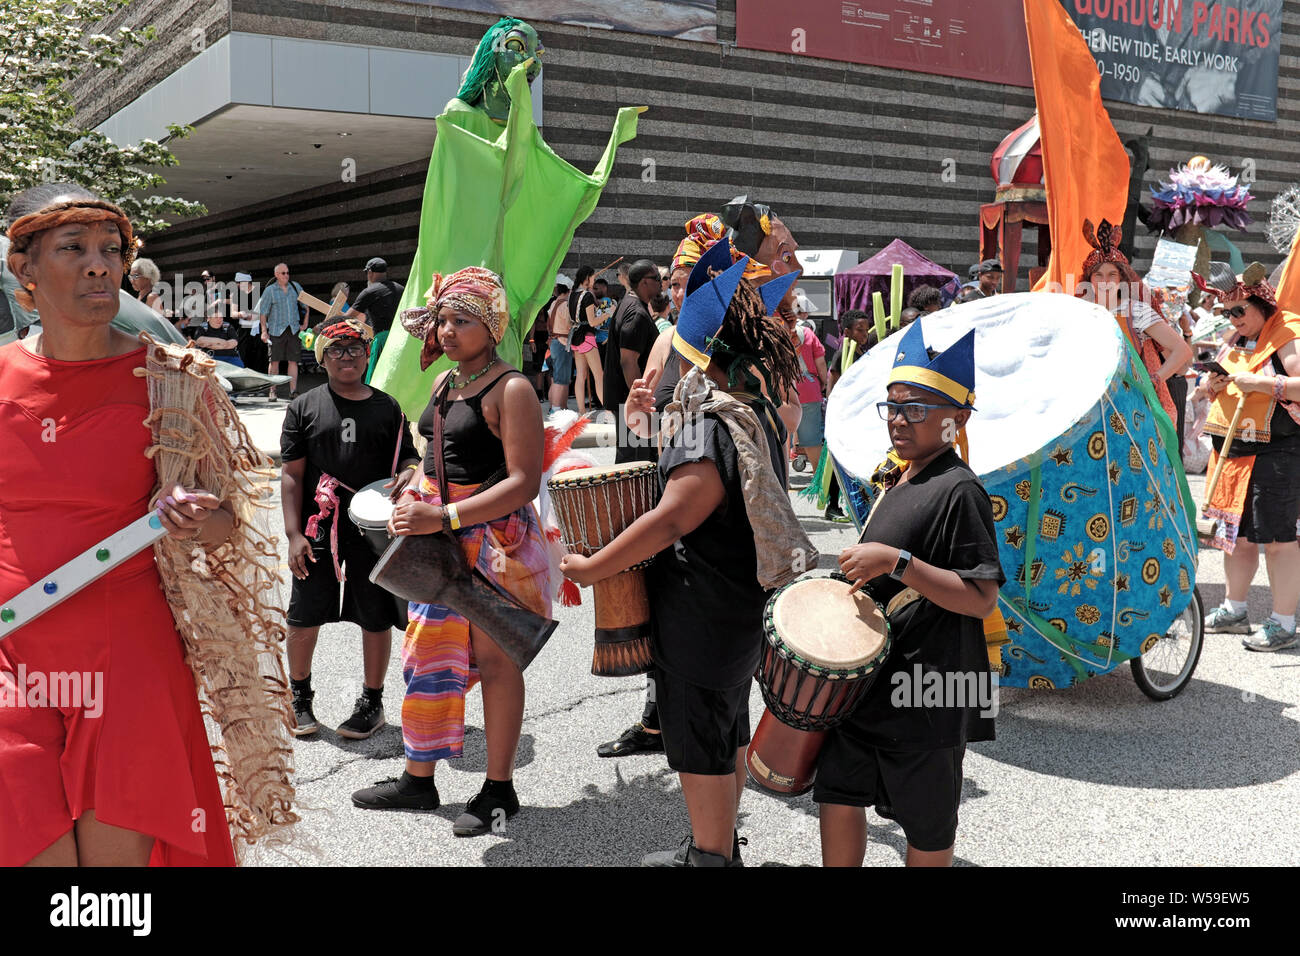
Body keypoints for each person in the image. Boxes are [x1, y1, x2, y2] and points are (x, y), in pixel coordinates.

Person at [0, 184, 245, 866]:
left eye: (110, 250)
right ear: (25, 269)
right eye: (73, 249)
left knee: (108, 891)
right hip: (10, 648)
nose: (99, 265)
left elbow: (228, 520)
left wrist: (199, 522)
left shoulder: (170, 378)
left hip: (129, 655)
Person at [561, 239, 808, 866]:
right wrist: (647, 416)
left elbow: (676, 513)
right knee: (724, 728)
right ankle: (722, 849)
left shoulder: (706, 421)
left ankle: (708, 856)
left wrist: (595, 565)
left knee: (699, 741)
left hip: (700, 613)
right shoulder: (756, 416)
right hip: (737, 608)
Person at [596, 206, 805, 760]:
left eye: (691, 283)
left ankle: (737, 740)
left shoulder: (749, 340)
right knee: (674, 634)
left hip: (723, 503)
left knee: (715, 638)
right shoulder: (668, 344)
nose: (680, 293)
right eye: (673, 284)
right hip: (681, 482)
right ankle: (660, 719)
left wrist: (721, 425)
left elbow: (783, 419)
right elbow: (646, 424)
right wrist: (641, 412)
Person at [351, 266, 552, 837]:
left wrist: (443, 514)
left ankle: (498, 789)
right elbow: (439, 449)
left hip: (493, 543)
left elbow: (523, 481)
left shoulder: (511, 388)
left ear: (490, 327)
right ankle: (419, 779)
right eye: (442, 319)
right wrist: (416, 472)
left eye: (462, 320)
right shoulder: (446, 384)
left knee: (495, 662)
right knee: (426, 655)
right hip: (437, 540)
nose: (446, 330)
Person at [820, 320, 1004, 867]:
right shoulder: (898, 475)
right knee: (837, 795)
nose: (899, 420)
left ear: (958, 419)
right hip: (871, 682)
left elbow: (980, 597)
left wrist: (898, 563)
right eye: (893, 406)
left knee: (926, 828)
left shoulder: (960, 489)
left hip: (929, 689)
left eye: (916, 408)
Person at [281, 318, 419, 738]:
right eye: (337, 349)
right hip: (318, 526)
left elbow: (409, 460)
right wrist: (293, 535)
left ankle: (371, 702)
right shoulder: (304, 406)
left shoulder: (387, 407)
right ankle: (299, 697)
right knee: (304, 612)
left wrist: (408, 475)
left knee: (373, 613)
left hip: (371, 529)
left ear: (367, 355)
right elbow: (291, 475)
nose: (347, 356)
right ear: (322, 357)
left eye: (355, 348)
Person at [1194, 264, 1300, 652]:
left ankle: (1284, 623)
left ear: (1263, 304)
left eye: (1239, 311)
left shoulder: (1287, 332)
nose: (1233, 319)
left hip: (1276, 451)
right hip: (1232, 451)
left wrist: (1262, 383)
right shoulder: (1237, 337)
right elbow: (1212, 385)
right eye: (1227, 312)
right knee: (1235, 539)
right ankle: (1234, 610)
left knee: (1278, 540)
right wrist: (1210, 384)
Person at [1079, 219, 1191, 425]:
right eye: (1098, 275)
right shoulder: (1080, 312)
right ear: (1089, 279)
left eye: (1112, 275)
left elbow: (1182, 350)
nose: (1105, 281)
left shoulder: (1136, 311)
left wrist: (1154, 379)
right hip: (1087, 400)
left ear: (1122, 279)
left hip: (1129, 402)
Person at [606, 259, 662, 463]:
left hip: (626, 400)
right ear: (644, 283)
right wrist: (640, 403)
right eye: (656, 279)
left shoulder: (631, 304)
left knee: (634, 459)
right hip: (630, 402)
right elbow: (628, 361)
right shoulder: (636, 313)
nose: (660, 283)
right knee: (635, 463)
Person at [822, 310, 876, 521]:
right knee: (838, 462)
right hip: (842, 413)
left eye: (866, 329)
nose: (864, 334)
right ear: (847, 332)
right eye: (859, 330)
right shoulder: (844, 351)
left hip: (854, 412)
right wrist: (834, 408)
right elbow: (832, 380)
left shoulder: (859, 351)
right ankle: (833, 505)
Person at [785, 301, 829, 471]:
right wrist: (823, 383)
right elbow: (821, 363)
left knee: (781, 439)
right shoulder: (809, 334)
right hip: (808, 389)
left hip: (783, 388)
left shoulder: (774, 333)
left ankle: (783, 481)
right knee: (811, 438)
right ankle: (818, 480)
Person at [256, 262, 308, 400]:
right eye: (283, 273)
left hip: (294, 329)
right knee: (274, 361)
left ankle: (293, 391)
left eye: (287, 272)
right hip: (275, 330)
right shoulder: (270, 291)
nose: (286, 275)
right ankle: (272, 391)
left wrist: (305, 324)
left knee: (293, 361)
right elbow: (263, 313)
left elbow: (306, 305)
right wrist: (263, 331)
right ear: (276, 275)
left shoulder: (295, 287)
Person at [350, 257, 405, 384]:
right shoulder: (401, 289)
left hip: (382, 339)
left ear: (370, 272)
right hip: (401, 339)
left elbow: (348, 316)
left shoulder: (370, 291)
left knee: (376, 380)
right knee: (397, 377)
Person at [566, 264, 604, 413]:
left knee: (580, 376)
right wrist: (608, 313)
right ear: (587, 278)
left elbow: (570, 321)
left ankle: (582, 411)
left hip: (575, 338)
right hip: (587, 338)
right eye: (593, 277)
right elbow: (593, 322)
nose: (594, 280)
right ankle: (607, 412)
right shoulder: (587, 296)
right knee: (599, 375)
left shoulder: (572, 295)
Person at [546, 274, 574, 412]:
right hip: (562, 343)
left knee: (556, 377)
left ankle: (557, 407)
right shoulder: (565, 305)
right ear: (568, 290)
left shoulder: (553, 303)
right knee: (561, 379)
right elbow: (570, 324)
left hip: (554, 342)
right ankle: (557, 409)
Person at [232, 270, 267, 371]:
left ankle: (261, 383)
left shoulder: (260, 291)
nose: (237, 285)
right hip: (244, 331)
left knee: (260, 358)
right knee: (244, 358)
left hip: (259, 329)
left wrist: (256, 316)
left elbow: (268, 310)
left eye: (239, 283)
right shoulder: (236, 294)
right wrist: (241, 314)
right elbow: (233, 313)